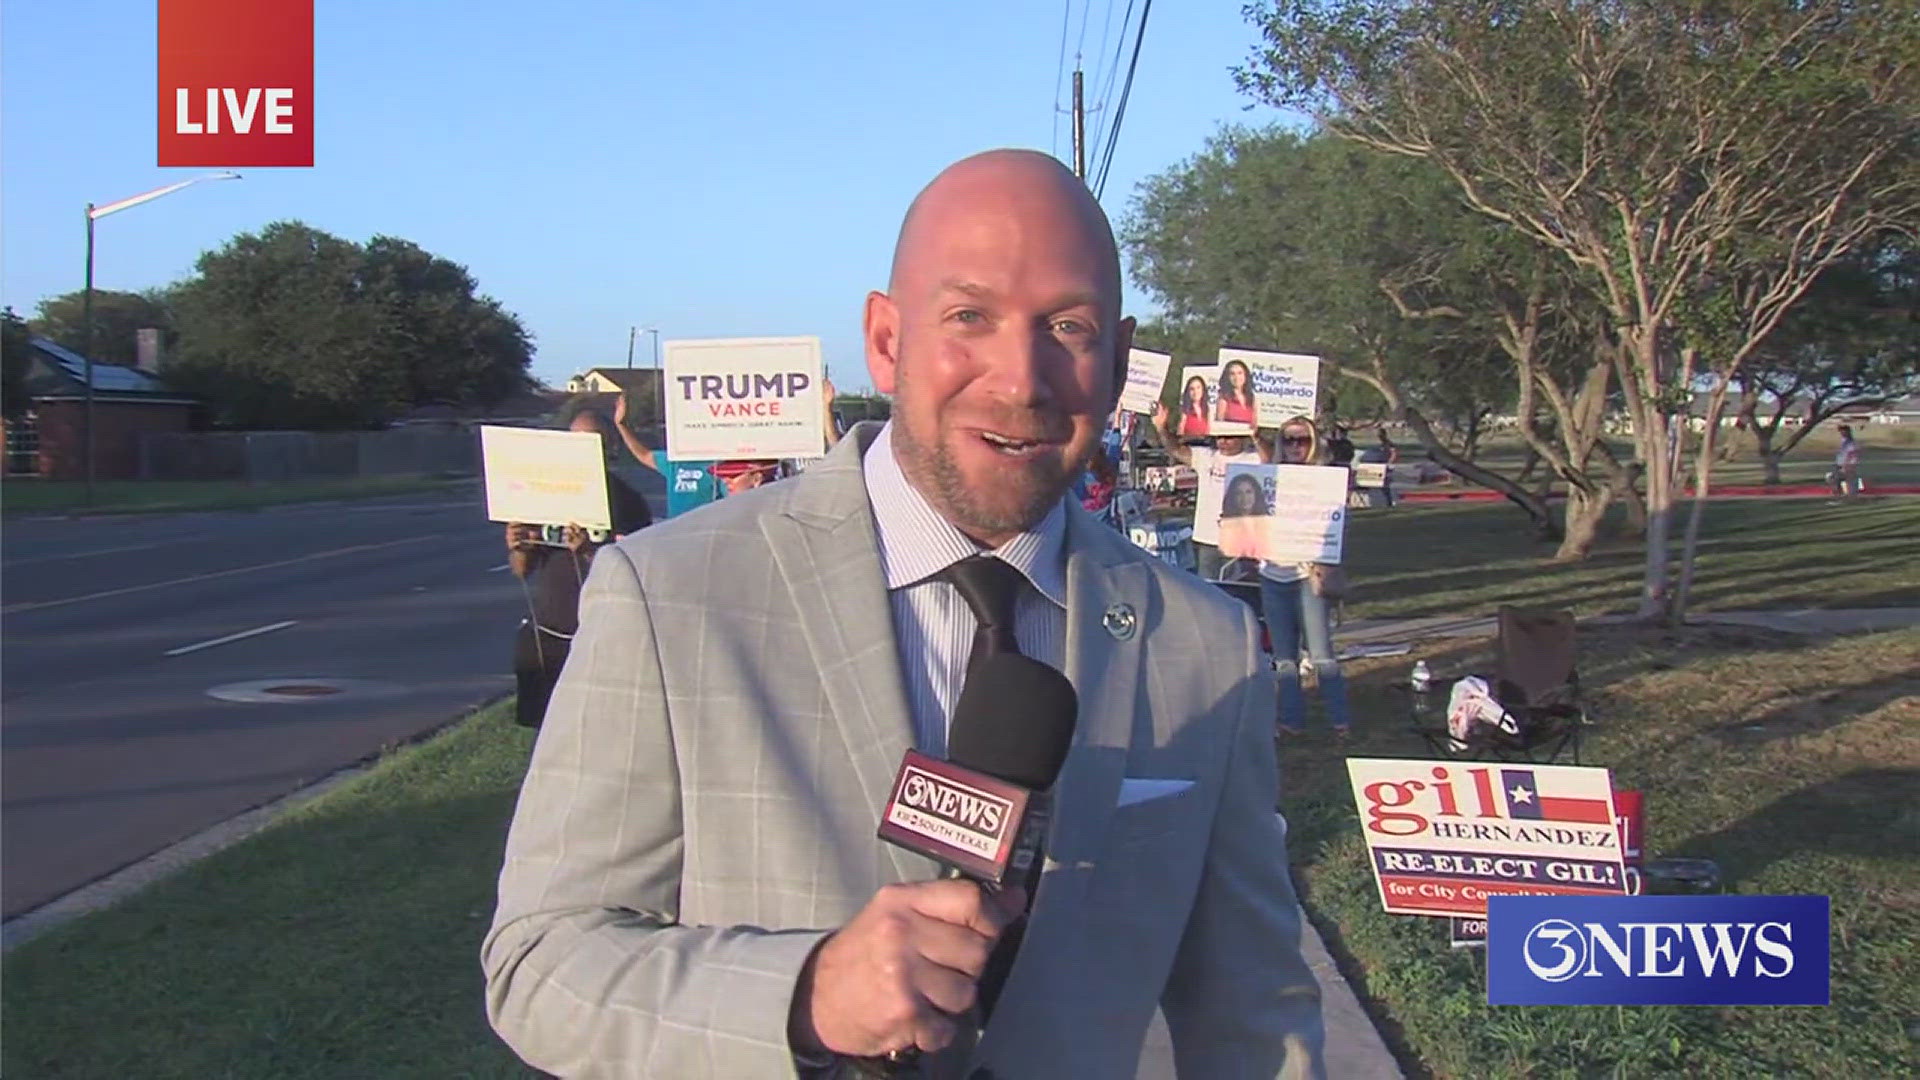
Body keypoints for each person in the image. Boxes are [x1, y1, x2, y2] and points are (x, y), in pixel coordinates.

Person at [484, 149, 1324, 1079]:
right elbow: (541, 960)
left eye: (1069, 327)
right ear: (886, 340)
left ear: (1119, 360)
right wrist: (802, 995)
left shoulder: (1205, 645)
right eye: (969, 317)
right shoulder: (670, 594)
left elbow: (1254, 1011)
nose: (1021, 379)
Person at [504, 407, 654, 729]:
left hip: (600, 636)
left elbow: (636, 576)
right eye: (575, 444)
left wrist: (589, 552)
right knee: (543, 733)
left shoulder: (629, 502)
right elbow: (521, 570)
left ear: (609, 448)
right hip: (547, 635)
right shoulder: (544, 495)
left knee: (599, 730)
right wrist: (517, 546)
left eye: (592, 445)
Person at [615, 377, 841, 515]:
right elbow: (644, 455)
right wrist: (621, 425)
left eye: (733, 477)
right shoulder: (676, 459)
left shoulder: (724, 458)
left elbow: (840, 456)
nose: (727, 481)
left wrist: (825, 411)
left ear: (756, 478)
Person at [1262, 416, 1354, 737]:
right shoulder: (1267, 477)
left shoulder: (1324, 482)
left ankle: (1339, 719)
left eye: (1302, 440)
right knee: (1284, 659)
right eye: (1289, 440)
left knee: (1321, 654)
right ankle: (1290, 721)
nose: (1295, 447)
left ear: (1314, 443)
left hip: (1309, 574)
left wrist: (1327, 560)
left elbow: (1338, 527)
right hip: (1273, 574)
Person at [1149, 402, 1266, 581]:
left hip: (1240, 543)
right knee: (1209, 591)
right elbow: (1175, 449)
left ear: (1242, 438)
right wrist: (1162, 428)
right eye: (1219, 437)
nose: (1223, 442)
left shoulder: (1253, 458)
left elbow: (1272, 459)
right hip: (1207, 540)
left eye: (1229, 437)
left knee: (1239, 592)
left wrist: (1256, 435)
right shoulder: (1206, 457)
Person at [1215, 359, 1257, 427]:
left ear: (1245, 375)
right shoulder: (1224, 398)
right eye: (1232, 374)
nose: (1236, 377)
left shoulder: (1252, 398)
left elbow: (1255, 424)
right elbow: (1220, 424)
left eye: (1240, 373)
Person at [1832, 424, 1862, 497]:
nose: (1841, 433)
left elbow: (1852, 454)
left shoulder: (1851, 442)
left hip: (1848, 464)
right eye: (1841, 431)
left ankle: (1852, 496)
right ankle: (1839, 494)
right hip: (1840, 464)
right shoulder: (1843, 441)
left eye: (1843, 431)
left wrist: (1846, 464)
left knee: (1850, 481)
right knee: (1837, 480)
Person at [1177, 373, 1211, 438]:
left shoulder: (1206, 409)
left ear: (1203, 390)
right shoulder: (1184, 410)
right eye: (1192, 389)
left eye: (1198, 388)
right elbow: (1180, 434)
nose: (1195, 392)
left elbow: (1208, 433)